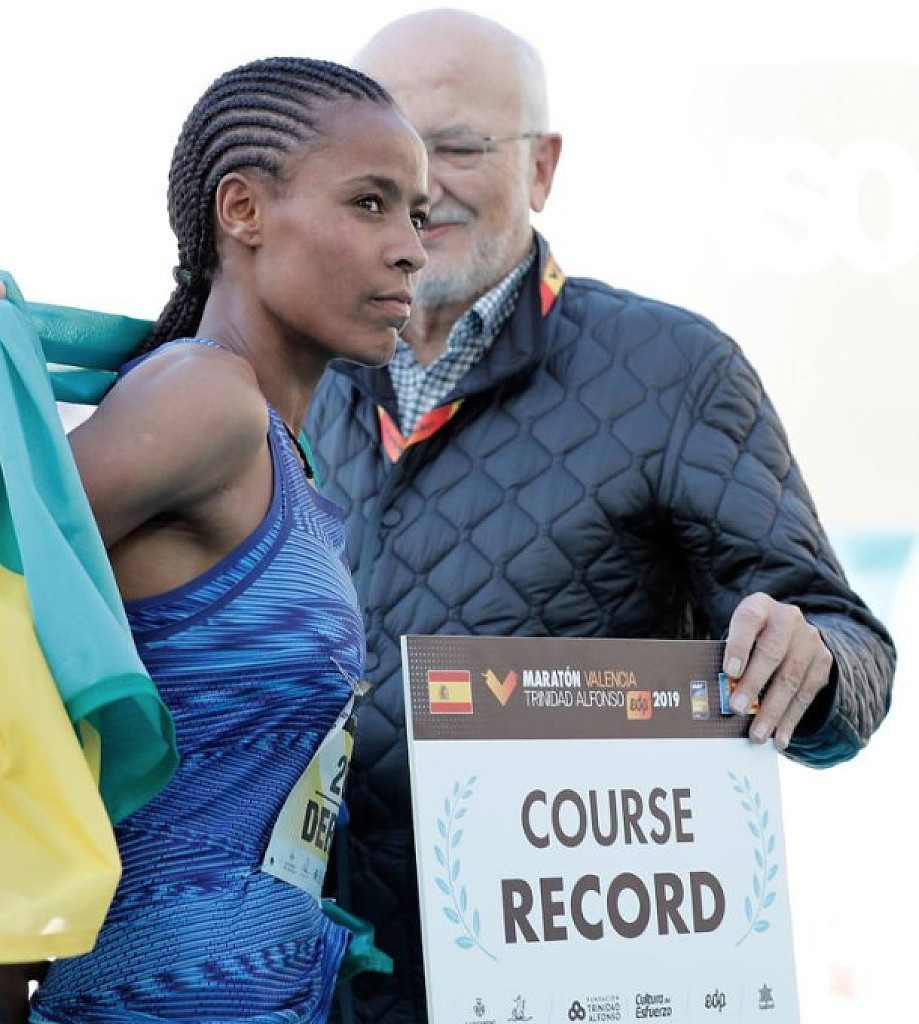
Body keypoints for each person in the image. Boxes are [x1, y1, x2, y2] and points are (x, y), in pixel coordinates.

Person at [300, 10, 897, 1024]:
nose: (421, 187)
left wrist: (812, 665)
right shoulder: (290, 372)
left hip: (569, 986)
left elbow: (847, 648)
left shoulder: (675, 371)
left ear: (541, 167)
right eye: (387, 158)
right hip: (312, 983)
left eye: (457, 147)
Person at [0, 56, 428, 1024]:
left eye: (415, 214)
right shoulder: (203, 401)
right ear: (242, 210)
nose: (409, 249)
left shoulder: (282, 448)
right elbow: (8, 597)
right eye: (369, 203)